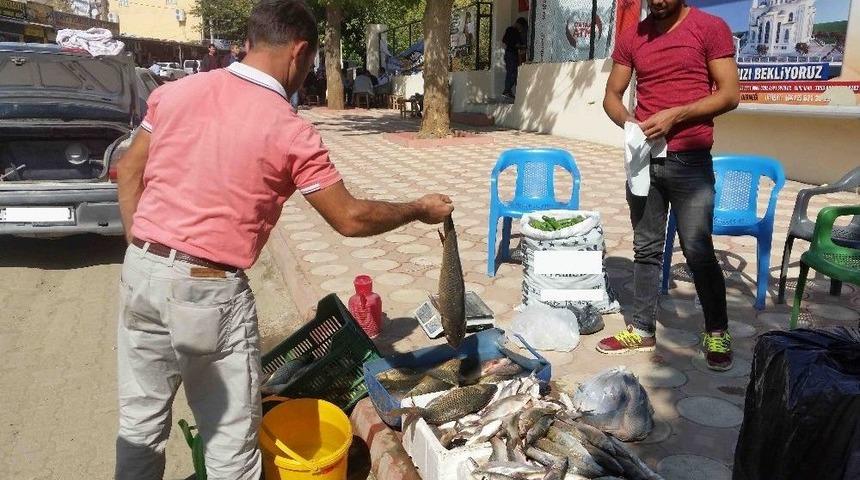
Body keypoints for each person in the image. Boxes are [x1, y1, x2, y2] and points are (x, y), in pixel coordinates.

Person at [113, 1, 454, 478]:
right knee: (231, 445)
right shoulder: (290, 130)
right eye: (311, 63)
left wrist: (146, 248)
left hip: (142, 271)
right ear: (299, 53)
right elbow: (349, 219)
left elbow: (128, 170)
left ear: (250, 42)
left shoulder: (176, 92)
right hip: (208, 290)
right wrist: (418, 209)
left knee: (140, 427)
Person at [599, 0, 740, 371]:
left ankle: (717, 331)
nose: (658, 1)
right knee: (645, 248)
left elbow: (729, 94)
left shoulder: (710, 27)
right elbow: (611, 95)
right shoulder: (633, 36)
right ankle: (642, 329)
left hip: (690, 159)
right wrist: (631, 125)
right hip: (644, 160)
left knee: (697, 250)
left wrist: (675, 116)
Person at [502, 18, 527, 99]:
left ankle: (509, 91)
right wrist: (517, 45)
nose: (521, 29)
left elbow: (505, 40)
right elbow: (506, 41)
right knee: (512, 73)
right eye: (521, 27)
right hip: (511, 54)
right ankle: (507, 91)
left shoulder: (514, 31)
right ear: (518, 24)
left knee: (513, 73)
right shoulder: (512, 30)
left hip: (512, 54)